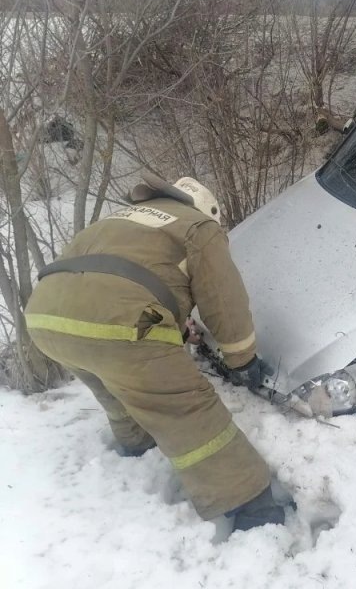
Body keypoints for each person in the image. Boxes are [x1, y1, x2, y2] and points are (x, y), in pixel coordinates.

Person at [24, 172, 286, 532]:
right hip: (119, 326)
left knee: (115, 384)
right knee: (186, 409)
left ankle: (135, 444)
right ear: (208, 211)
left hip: (45, 318)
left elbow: (121, 279)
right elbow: (224, 302)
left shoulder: (123, 217)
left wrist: (176, 329)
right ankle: (251, 505)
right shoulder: (199, 228)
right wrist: (242, 358)